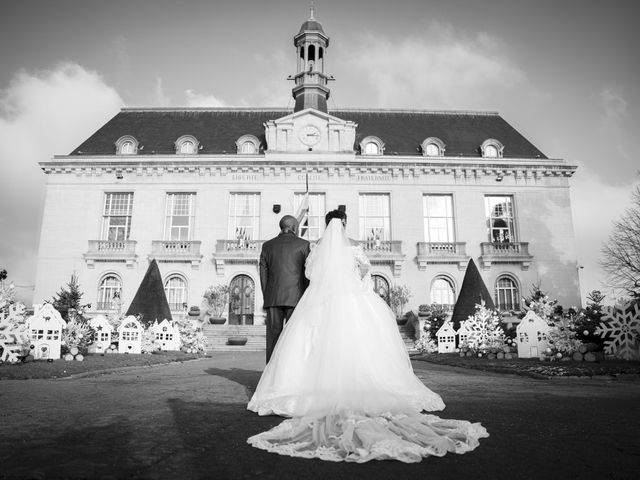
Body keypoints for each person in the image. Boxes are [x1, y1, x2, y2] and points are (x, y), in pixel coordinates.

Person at [247, 209, 488, 463]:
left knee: (311, 343)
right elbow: (365, 271)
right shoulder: (353, 246)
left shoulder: (316, 248)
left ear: (327, 225)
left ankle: (302, 383)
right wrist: (358, 287)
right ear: (346, 224)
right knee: (359, 341)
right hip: (351, 300)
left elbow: (310, 274)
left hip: (320, 301)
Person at [259, 215, 311, 363]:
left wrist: (267, 296)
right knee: (294, 339)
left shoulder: (267, 246)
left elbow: (263, 275)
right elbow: (307, 275)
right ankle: (291, 373)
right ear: (295, 227)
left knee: (273, 340)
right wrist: (306, 297)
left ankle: (270, 377)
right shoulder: (304, 244)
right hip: (296, 299)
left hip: (273, 299)